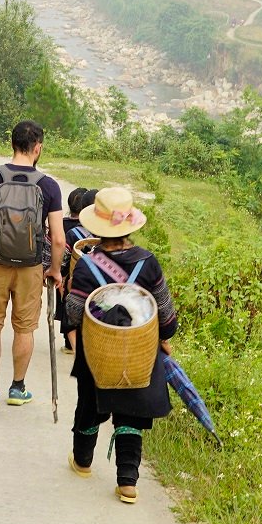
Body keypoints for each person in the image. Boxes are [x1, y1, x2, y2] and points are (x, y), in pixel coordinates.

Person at [64, 187, 177, 505]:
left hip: (100, 352)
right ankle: (128, 482)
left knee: (89, 405)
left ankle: (83, 463)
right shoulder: (149, 263)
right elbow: (166, 316)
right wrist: (163, 338)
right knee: (132, 412)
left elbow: (74, 313)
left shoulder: (86, 266)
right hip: (139, 351)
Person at [0, 120, 65, 414]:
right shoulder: (49, 186)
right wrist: (55, 270)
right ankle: (17, 388)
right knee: (24, 328)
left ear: (12, 144)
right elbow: (58, 239)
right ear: (38, 148)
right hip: (31, 268)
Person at [58, 187, 98, 354]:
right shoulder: (108, 237)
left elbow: (64, 258)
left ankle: (73, 347)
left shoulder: (73, 233)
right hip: (100, 284)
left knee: (71, 310)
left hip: (75, 282)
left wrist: (58, 273)